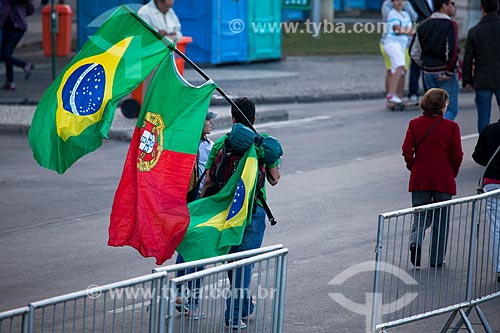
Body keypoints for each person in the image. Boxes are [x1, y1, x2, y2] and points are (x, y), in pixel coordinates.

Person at [201, 97, 281, 330]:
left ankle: (244, 306)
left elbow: (209, 180)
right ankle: (234, 316)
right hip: (253, 211)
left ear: (233, 119)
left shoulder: (221, 144)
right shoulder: (263, 146)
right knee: (244, 263)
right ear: (254, 118)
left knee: (234, 261)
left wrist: (202, 207)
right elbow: (274, 180)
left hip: (226, 210)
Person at [402, 88, 463, 268]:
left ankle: (416, 241)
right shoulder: (452, 127)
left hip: (420, 177)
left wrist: (412, 165)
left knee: (420, 214)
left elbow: (406, 149)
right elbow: (457, 155)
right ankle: (436, 259)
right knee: (441, 220)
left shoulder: (414, 124)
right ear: (443, 106)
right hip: (443, 178)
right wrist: (452, 172)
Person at [174, 110, 218, 320]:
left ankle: (180, 293)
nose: (210, 123)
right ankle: (193, 305)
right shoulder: (207, 148)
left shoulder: (185, 145)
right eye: (207, 119)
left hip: (184, 204)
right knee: (198, 253)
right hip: (199, 205)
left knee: (186, 248)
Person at [410, 0, 460, 120]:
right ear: (444, 6)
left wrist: (424, 66)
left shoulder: (423, 25)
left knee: (432, 110)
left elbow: (414, 52)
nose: (454, 7)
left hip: (428, 72)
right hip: (444, 72)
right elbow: (452, 50)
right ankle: (439, 133)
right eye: (452, 3)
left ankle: (431, 134)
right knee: (450, 108)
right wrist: (449, 70)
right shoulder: (450, 24)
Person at [462, 0, 500, 133]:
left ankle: (484, 149)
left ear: (482, 9)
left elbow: (468, 58)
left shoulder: (475, 31)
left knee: (483, 118)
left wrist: (467, 80)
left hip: (482, 78)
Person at [472, 119, 500, 283]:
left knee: (496, 228)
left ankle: (499, 268)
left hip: (492, 183)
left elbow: (478, 157)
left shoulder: (489, 129)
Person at [380, 0, 417, 102]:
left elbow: (410, 27)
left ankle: (396, 95)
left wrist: (406, 30)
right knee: (399, 66)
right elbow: (397, 30)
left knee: (400, 69)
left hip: (402, 45)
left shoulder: (405, 14)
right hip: (392, 44)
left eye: (401, 0)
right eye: (396, 0)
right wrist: (407, 31)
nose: (399, 2)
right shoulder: (392, 13)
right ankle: (391, 95)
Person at [0, 0, 35, 91]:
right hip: (20, 27)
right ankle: (10, 82)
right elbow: (31, 9)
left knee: (4, 55)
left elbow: (4, 10)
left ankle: (24, 65)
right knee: (8, 55)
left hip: (11, 27)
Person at [407, 0, 433, 100]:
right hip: (419, 34)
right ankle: (413, 92)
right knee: (415, 63)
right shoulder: (414, 1)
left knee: (429, 63)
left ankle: (429, 92)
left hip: (433, 34)